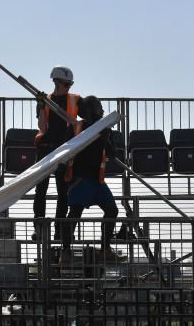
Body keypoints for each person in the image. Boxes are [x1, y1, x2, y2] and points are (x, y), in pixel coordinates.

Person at [59, 96, 126, 264]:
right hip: (79, 178)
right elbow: (64, 150)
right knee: (75, 213)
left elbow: (112, 154)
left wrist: (104, 139)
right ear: (90, 109)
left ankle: (105, 250)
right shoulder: (76, 127)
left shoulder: (105, 129)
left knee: (112, 210)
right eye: (99, 107)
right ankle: (65, 251)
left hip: (98, 180)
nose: (102, 111)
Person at [32, 65, 79, 242]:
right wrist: (41, 107)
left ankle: (60, 230)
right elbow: (43, 128)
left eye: (70, 84)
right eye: (65, 84)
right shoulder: (47, 100)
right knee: (40, 190)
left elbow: (81, 122)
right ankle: (40, 228)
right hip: (46, 148)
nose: (68, 88)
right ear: (55, 82)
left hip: (64, 149)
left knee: (63, 192)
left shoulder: (74, 101)